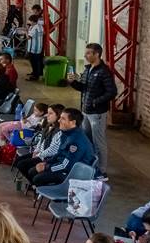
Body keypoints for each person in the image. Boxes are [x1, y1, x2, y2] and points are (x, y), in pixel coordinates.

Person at [67, 42, 117, 176]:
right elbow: (83, 88)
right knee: (87, 140)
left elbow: (112, 92)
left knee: (99, 141)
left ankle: (102, 170)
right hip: (85, 111)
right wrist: (73, 82)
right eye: (86, 52)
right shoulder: (88, 69)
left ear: (97, 54)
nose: (85, 55)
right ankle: (89, 165)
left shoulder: (104, 71)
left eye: (89, 53)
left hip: (97, 114)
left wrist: (96, 102)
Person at [29, 108, 96, 187]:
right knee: (32, 171)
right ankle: (38, 191)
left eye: (63, 119)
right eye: (60, 117)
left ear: (73, 122)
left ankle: (56, 197)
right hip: (64, 166)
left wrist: (47, 167)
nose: (58, 120)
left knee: (37, 178)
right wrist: (47, 162)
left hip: (74, 173)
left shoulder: (76, 140)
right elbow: (59, 153)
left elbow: (67, 166)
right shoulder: (66, 133)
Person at [25, 14, 44, 81]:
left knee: (34, 62)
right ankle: (35, 73)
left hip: (33, 48)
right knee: (37, 62)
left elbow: (28, 37)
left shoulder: (34, 28)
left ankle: (35, 76)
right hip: (39, 48)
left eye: (30, 21)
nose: (29, 22)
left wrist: (26, 31)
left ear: (33, 21)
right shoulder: (40, 27)